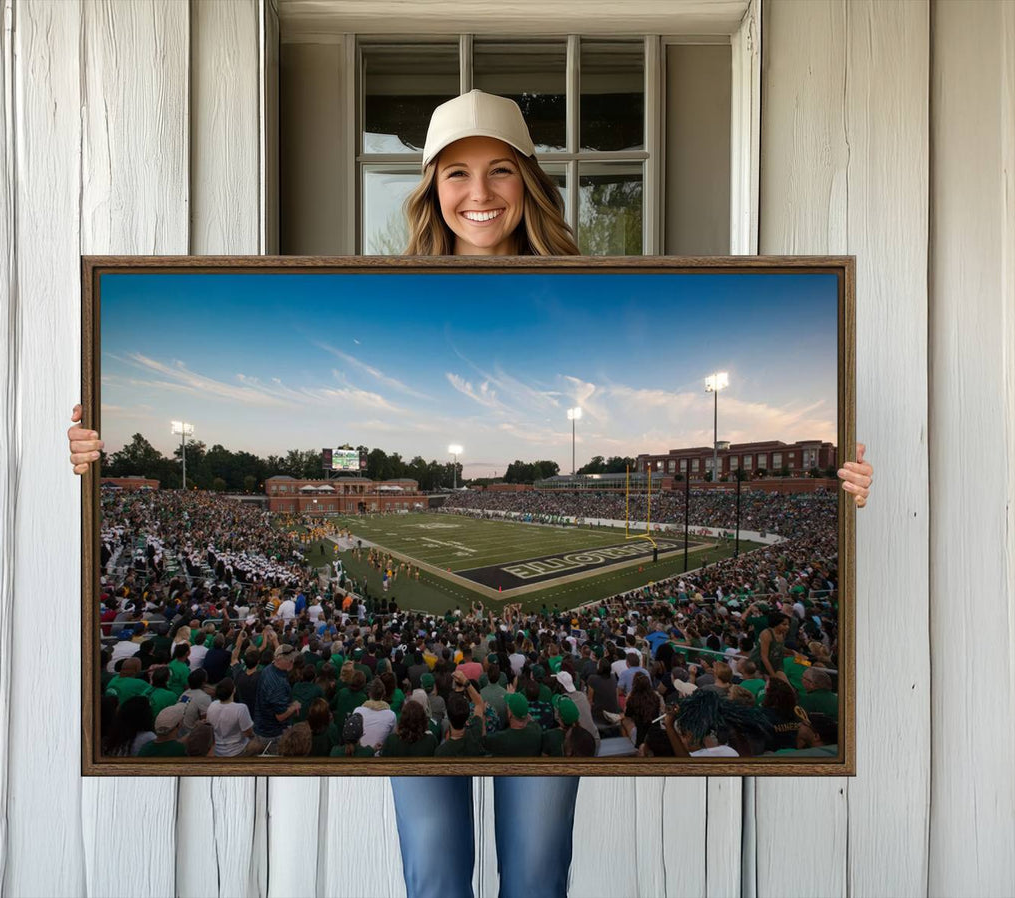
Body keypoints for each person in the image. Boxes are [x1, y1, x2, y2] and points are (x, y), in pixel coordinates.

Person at [69, 88, 874, 898]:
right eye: (456, 173)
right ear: (431, 187)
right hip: (441, 723)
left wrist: (842, 487)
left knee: (534, 876)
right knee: (436, 877)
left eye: (499, 171)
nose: (479, 193)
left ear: (528, 180)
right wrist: (92, 453)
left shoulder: (592, 285)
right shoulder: (385, 287)